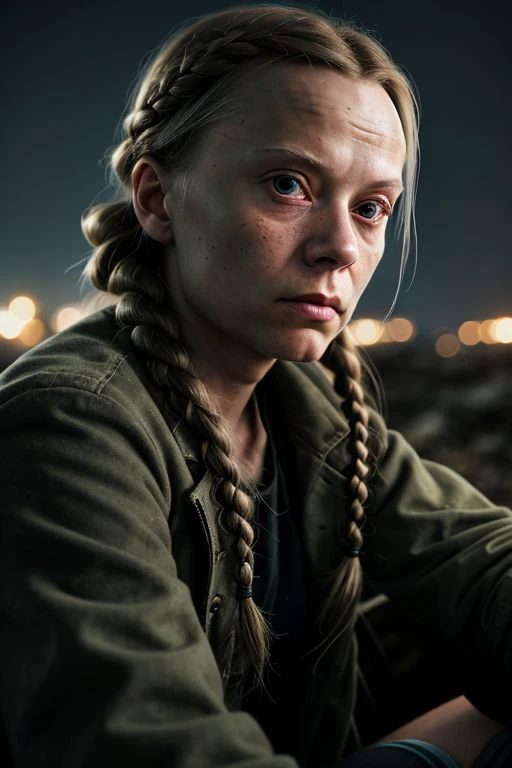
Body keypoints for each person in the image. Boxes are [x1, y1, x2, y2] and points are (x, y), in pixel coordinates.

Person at [0, 4, 510, 767]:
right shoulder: (71, 428)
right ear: (156, 197)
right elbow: (152, 744)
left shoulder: (309, 409)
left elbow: (477, 557)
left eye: (372, 208)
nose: (341, 247)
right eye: (287, 184)